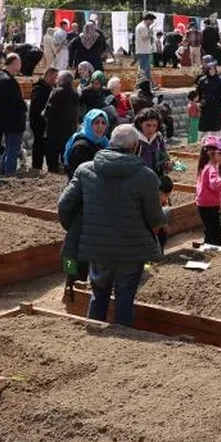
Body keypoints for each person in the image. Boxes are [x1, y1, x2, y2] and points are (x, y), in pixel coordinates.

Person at [58, 124, 165, 325]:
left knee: (98, 294)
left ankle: (95, 333)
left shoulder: (85, 170)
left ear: (111, 142)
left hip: (97, 247)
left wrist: (80, 228)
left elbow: (64, 207)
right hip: (132, 249)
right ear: (136, 147)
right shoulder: (147, 176)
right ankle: (122, 338)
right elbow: (155, 218)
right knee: (125, 297)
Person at [0, 53, 28, 175]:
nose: (21, 65)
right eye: (19, 62)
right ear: (15, 63)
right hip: (14, 121)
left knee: (8, 150)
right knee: (13, 151)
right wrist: (24, 107)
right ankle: (9, 176)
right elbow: (18, 102)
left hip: (2, 120)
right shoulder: (9, 81)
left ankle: (3, 174)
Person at [196, 136, 221, 246]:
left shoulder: (207, 166)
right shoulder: (211, 168)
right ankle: (211, 250)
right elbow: (215, 184)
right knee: (215, 234)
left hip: (206, 204)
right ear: (211, 153)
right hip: (208, 205)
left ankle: (208, 248)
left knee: (210, 231)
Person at [64, 109, 113, 179]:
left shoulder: (103, 142)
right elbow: (78, 176)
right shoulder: (80, 147)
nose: (100, 126)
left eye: (103, 123)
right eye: (96, 122)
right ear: (89, 124)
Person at [28, 67, 56, 172]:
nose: (55, 80)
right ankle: (36, 167)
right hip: (39, 122)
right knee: (39, 145)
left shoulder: (47, 88)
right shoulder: (39, 89)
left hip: (44, 122)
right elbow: (38, 108)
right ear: (48, 76)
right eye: (54, 77)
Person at [195, 56, 221, 138]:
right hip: (205, 105)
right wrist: (198, 102)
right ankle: (203, 140)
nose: (212, 71)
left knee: (215, 125)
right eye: (210, 69)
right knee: (205, 125)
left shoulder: (220, 80)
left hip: (216, 105)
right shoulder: (202, 80)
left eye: (213, 69)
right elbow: (198, 93)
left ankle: (215, 140)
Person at [134, 13, 155, 81]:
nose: (152, 23)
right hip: (143, 51)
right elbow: (144, 38)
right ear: (148, 20)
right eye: (152, 21)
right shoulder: (143, 27)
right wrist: (150, 34)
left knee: (147, 70)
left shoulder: (142, 26)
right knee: (143, 70)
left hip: (144, 51)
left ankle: (148, 84)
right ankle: (140, 84)